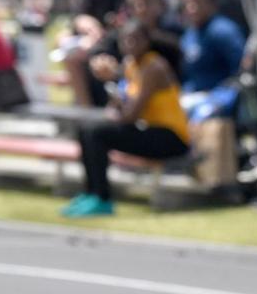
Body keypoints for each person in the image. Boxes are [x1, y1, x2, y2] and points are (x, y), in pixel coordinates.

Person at [61, 20, 191, 217]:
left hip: (171, 137)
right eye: (126, 41)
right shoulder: (131, 65)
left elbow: (131, 115)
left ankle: (102, 199)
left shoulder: (153, 66)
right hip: (149, 129)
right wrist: (112, 88)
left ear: (147, 41)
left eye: (135, 40)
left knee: (97, 133)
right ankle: (91, 192)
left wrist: (114, 91)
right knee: (87, 129)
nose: (130, 45)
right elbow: (119, 106)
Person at [179, 0, 246, 93]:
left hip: (222, 95)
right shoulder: (188, 36)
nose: (192, 8)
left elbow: (239, 70)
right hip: (194, 94)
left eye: (197, 2)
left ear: (210, 3)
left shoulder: (223, 30)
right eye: (187, 4)